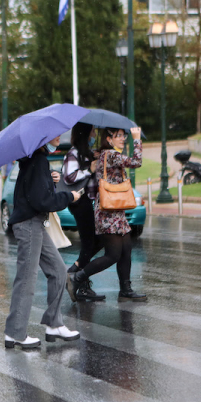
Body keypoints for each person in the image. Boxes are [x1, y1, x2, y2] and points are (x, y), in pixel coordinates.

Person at [4, 134, 82, 350]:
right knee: (26, 279)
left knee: (58, 270)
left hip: (34, 224)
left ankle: (54, 324)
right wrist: (69, 197)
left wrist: (50, 178)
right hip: (29, 225)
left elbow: (35, 193)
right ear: (42, 138)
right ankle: (15, 332)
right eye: (54, 134)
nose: (58, 137)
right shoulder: (37, 161)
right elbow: (41, 201)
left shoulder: (35, 161)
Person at [69, 127, 147, 302]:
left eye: (123, 135)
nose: (122, 139)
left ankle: (125, 289)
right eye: (117, 136)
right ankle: (78, 277)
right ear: (109, 139)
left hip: (116, 209)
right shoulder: (111, 154)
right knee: (113, 255)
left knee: (126, 248)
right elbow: (136, 162)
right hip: (108, 211)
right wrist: (137, 139)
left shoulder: (105, 154)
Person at [61, 123, 105, 302]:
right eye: (92, 131)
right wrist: (89, 170)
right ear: (85, 134)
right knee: (89, 243)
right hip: (80, 202)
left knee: (96, 240)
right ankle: (75, 274)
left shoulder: (86, 153)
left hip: (88, 201)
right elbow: (69, 176)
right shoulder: (73, 154)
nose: (94, 134)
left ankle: (79, 275)